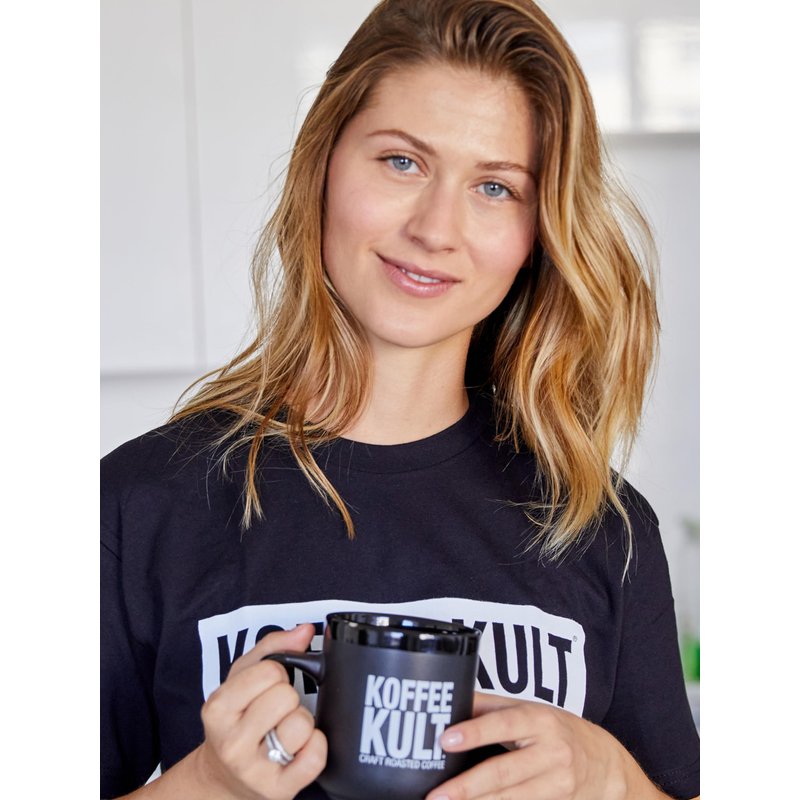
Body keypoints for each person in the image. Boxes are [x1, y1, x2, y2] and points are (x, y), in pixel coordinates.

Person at [100, 0, 700, 798]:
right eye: (402, 162)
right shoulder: (139, 508)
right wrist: (207, 784)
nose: (436, 228)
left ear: (538, 235)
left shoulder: (601, 526)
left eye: (496, 186)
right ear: (323, 165)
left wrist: (610, 777)